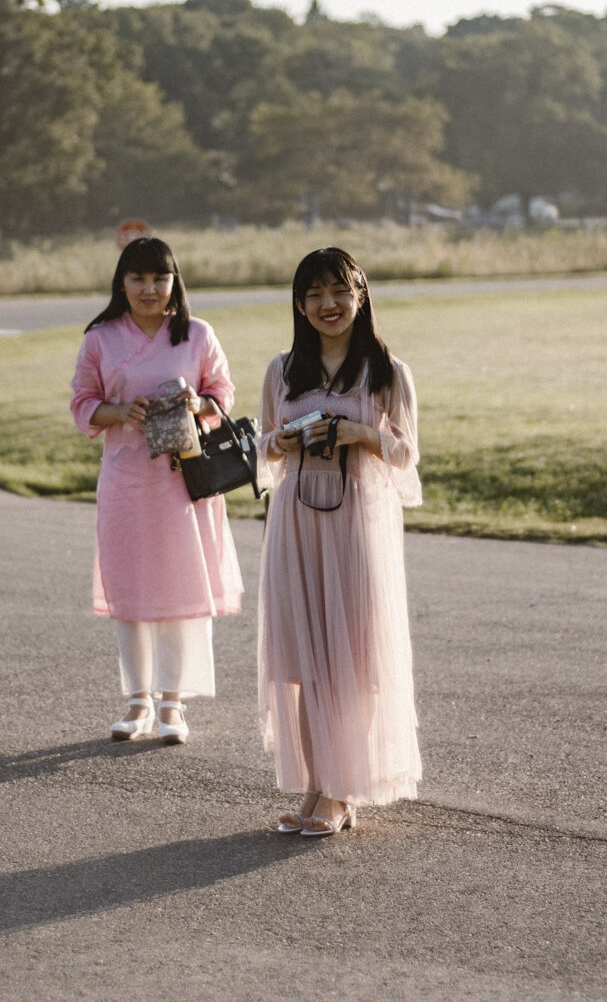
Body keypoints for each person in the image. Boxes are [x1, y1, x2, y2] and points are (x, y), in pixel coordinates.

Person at [256, 247, 422, 835]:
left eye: (339, 292)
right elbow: (263, 450)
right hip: (297, 524)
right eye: (315, 295)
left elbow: (409, 457)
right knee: (304, 662)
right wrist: (286, 440)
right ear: (300, 305)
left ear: (360, 295)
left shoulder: (386, 372)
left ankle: (343, 790)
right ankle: (313, 787)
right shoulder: (282, 370)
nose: (329, 305)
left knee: (354, 661)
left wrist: (360, 433)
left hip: (357, 525)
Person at [70, 236, 241, 744]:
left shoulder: (196, 334)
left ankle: (173, 704)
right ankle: (136, 701)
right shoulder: (100, 338)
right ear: (121, 283)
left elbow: (223, 393)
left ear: (174, 281)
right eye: (138, 278)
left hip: (181, 481)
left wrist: (198, 402)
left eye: (159, 278)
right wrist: (118, 412)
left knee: (179, 586)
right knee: (130, 589)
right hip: (125, 479)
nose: (149, 289)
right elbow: (82, 403)